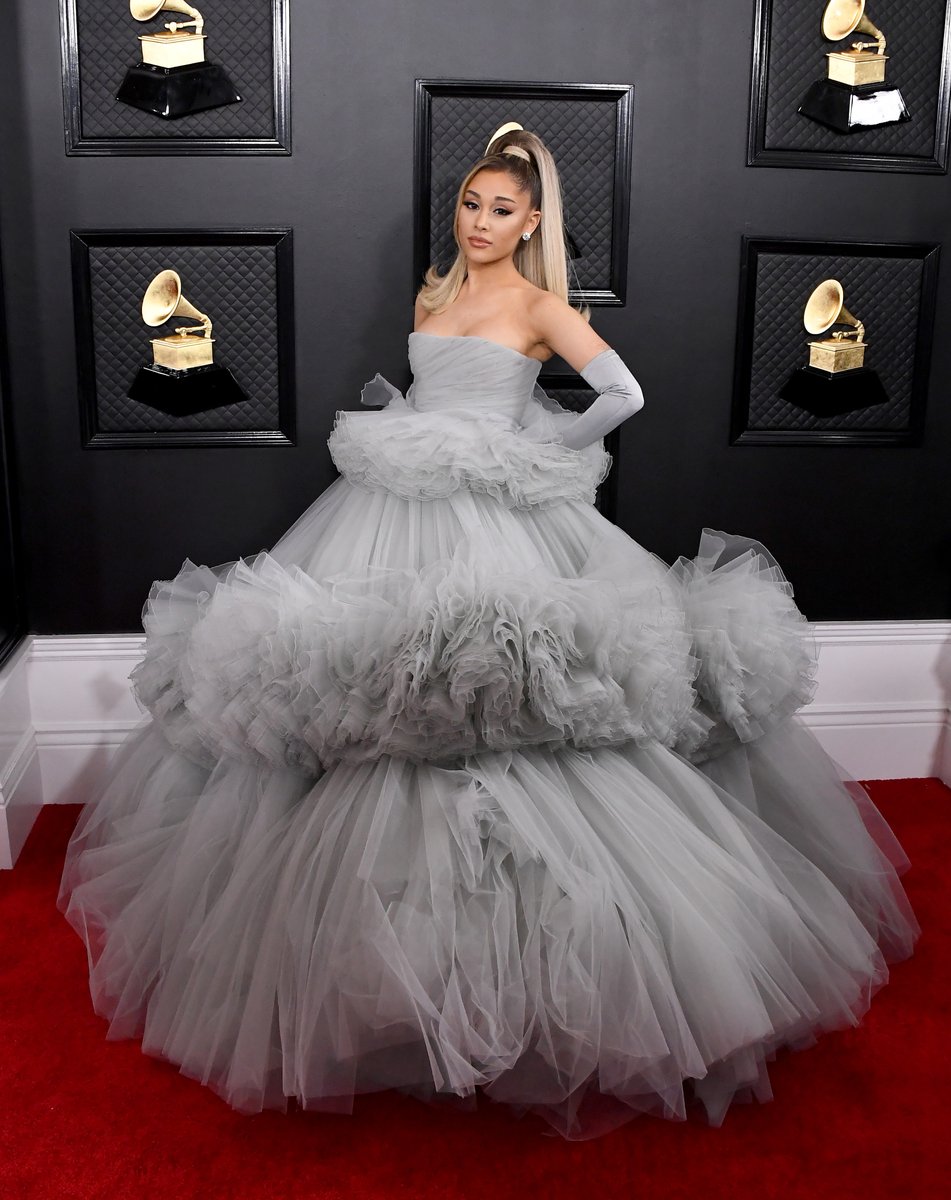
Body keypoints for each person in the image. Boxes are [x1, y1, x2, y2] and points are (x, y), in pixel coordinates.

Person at [57, 123, 920, 1141]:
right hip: (394, 509)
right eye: (470, 206)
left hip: (505, 515)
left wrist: (545, 440)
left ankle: (541, 954)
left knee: (514, 689)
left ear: (535, 220)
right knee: (377, 683)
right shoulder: (434, 295)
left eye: (500, 210)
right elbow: (429, 389)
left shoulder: (542, 303)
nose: (479, 223)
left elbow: (623, 394)